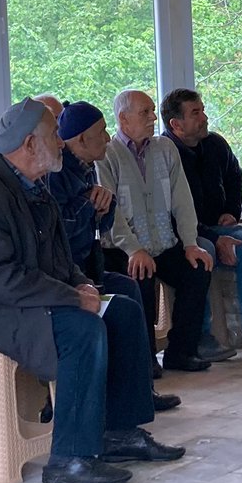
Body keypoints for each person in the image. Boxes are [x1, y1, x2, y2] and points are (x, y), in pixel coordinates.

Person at [0, 98, 183, 483]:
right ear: (29, 144)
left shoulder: (35, 188)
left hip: (26, 301)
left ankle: (118, 432)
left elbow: (59, 257)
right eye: (54, 135)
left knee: (119, 309)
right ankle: (70, 458)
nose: (61, 142)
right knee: (81, 329)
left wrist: (80, 283)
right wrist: (71, 298)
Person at [46, 101, 179, 413]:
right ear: (79, 140)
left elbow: (98, 223)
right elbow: (59, 233)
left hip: (87, 267)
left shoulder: (86, 166)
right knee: (125, 296)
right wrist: (91, 206)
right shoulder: (56, 173)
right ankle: (118, 397)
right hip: (67, 276)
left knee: (130, 289)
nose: (107, 138)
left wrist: (104, 207)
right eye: (101, 132)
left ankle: (141, 387)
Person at [97, 89, 214, 373]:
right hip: (123, 250)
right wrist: (134, 249)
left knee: (197, 269)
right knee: (140, 277)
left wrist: (190, 243)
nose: (152, 118)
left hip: (163, 243)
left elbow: (182, 199)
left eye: (152, 111)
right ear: (124, 119)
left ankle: (182, 351)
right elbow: (110, 212)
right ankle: (145, 359)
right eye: (145, 112)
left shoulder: (165, 148)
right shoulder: (107, 154)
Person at [163, 88, 242, 356]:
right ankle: (201, 335)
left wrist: (231, 210)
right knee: (204, 252)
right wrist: (215, 239)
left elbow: (236, 177)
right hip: (184, 234)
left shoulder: (215, 144)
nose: (204, 117)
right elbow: (170, 212)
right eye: (196, 113)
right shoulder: (164, 153)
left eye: (202, 110)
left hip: (220, 225)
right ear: (176, 124)